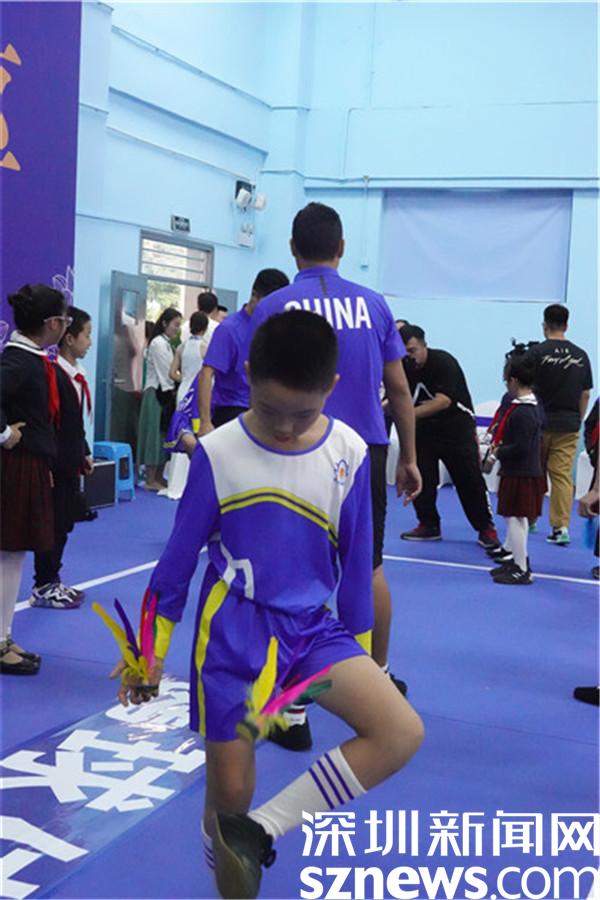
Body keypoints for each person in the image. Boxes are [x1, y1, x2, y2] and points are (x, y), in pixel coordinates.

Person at [111, 311, 424, 900]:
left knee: (399, 731)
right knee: (228, 796)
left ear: (331, 388)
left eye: (301, 414)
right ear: (249, 374)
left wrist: (362, 656)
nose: (283, 427)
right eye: (269, 407)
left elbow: (357, 569)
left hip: (312, 631)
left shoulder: (351, 452)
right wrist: (146, 654)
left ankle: (260, 831)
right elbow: (176, 563)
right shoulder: (218, 453)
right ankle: (231, 863)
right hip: (232, 634)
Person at [249, 204, 421, 750]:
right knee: (369, 569)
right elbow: (399, 390)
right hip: (363, 453)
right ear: (342, 247)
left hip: (290, 449)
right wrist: (409, 457)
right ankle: (378, 679)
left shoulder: (273, 305)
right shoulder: (374, 305)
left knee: (292, 576)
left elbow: (259, 387)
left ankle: (291, 709)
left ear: (292, 249)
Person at [0, 284, 70, 674]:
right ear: (53, 323)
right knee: (8, 553)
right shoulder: (20, 360)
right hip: (16, 465)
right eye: (66, 319)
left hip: (29, 463)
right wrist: (4, 434)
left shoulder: (31, 358)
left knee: (13, 554)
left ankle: (4, 634)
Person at [399, 324, 500, 549]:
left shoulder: (444, 362)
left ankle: (486, 528)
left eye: (412, 351)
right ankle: (428, 524)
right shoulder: (402, 367)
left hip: (456, 429)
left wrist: (405, 414)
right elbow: (396, 395)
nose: (409, 357)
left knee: (469, 480)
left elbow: (442, 401)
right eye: (404, 352)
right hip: (424, 430)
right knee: (421, 477)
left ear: (424, 346)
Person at [30, 307, 94, 608]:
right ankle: (43, 584)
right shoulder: (52, 376)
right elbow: (49, 423)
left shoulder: (77, 376)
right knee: (52, 524)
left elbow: (74, 423)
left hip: (70, 459)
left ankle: (52, 579)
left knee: (65, 522)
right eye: (87, 335)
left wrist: (85, 451)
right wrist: (49, 463)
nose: (89, 342)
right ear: (69, 338)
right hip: (55, 463)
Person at [530, 304, 593, 545]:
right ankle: (560, 527)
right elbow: (585, 393)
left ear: (544, 325)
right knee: (562, 476)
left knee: (534, 471)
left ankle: (530, 518)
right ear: (566, 325)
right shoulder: (581, 356)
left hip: (538, 422)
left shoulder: (536, 354)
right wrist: (578, 418)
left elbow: (525, 388)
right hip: (568, 423)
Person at [198, 269, 289, 433]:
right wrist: (205, 422)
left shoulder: (275, 328)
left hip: (265, 410)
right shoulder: (229, 329)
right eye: (269, 303)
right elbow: (206, 373)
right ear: (254, 295)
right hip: (232, 410)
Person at [485, 354, 545, 585]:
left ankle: (521, 568)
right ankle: (517, 561)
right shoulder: (530, 407)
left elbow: (521, 447)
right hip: (522, 471)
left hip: (521, 472)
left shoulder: (523, 412)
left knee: (516, 519)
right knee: (516, 518)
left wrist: (499, 451)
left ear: (513, 380)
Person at [162, 311, 209, 500]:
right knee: (197, 434)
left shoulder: (181, 347)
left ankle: (175, 482)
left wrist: (185, 379)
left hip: (183, 392)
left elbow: (171, 373)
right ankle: (193, 481)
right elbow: (209, 374)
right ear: (205, 328)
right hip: (198, 393)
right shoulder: (206, 347)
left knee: (180, 432)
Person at [136, 307, 182, 491]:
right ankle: (150, 478)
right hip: (157, 394)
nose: (177, 329)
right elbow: (167, 373)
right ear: (164, 323)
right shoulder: (157, 344)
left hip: (166, 393)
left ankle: (159, 476)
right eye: (175, 325)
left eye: (179, 325)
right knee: (154, 435)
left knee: (163, 435)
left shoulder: (167, 344)